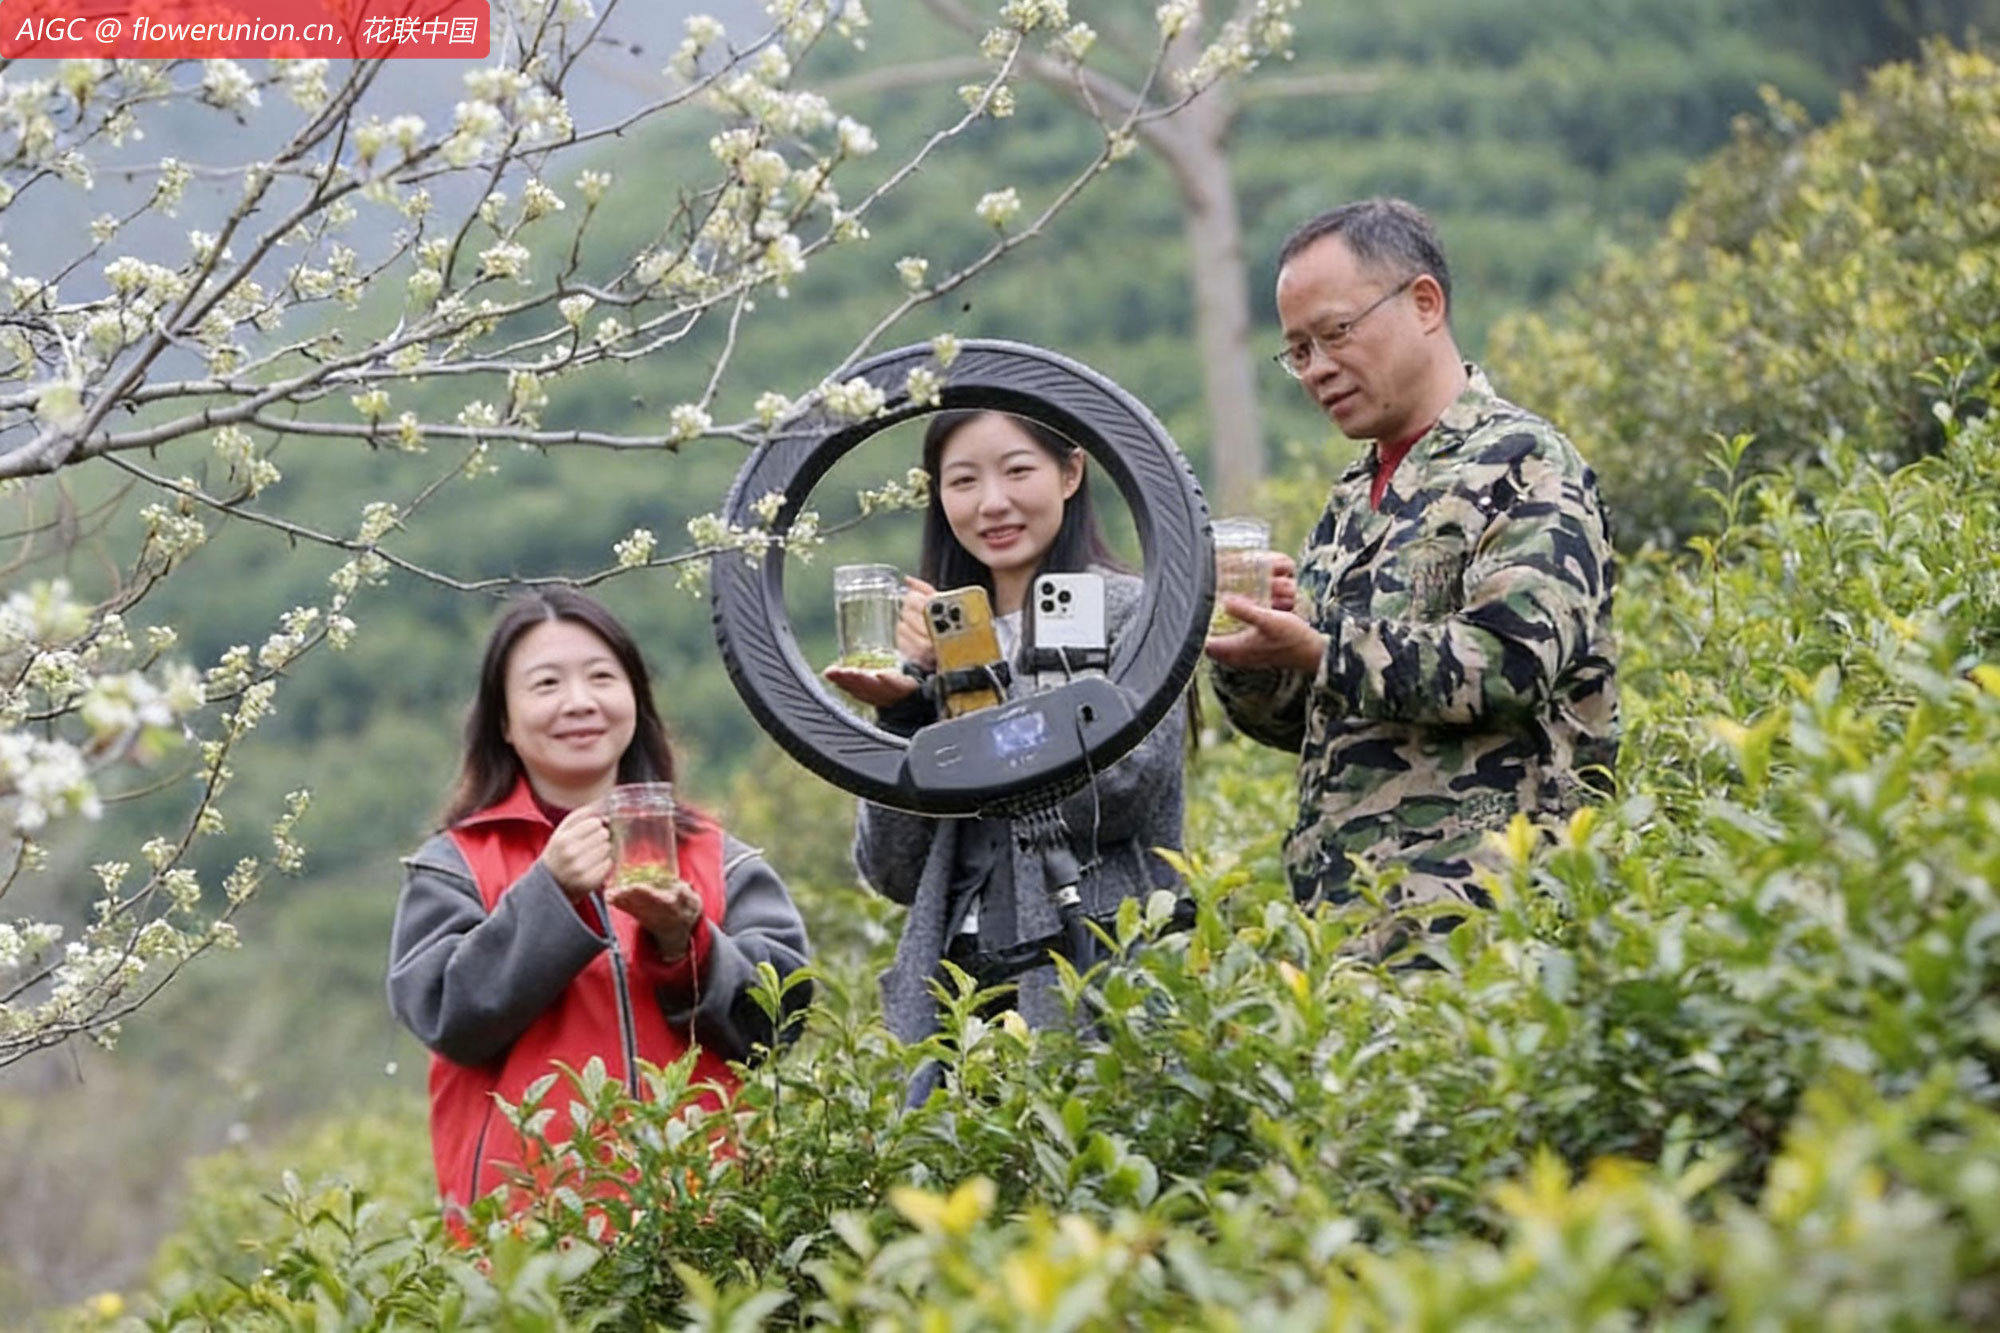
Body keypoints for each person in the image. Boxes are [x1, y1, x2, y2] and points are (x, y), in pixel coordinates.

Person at [1206, 197, 1618, 950]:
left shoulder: (1522, 463)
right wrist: (1252, 658)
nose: (1317, 369)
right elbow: (1310, 724)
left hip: (1484, 920)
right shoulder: (1349, 501)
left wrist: (1323, 649)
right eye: (1297, 351)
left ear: (1424, 302)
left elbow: (1511, 663)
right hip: (1348, 927)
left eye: (1334, 334)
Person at [387, 589, 811, 1216]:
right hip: (526, 1242)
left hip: (709, 1225)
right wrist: (549, 893)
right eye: (546, 684)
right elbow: (450, 1018)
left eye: (602, 678)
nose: (579, 703)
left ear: (635, 699)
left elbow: (777, 1024)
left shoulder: (722, 860)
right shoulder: (456, 866)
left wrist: (685, 940)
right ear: (502, 720)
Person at [825, 410, 1185, 1088]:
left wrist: (981, 670)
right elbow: (894, 869)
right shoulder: (933, 644)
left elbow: (1114, 795)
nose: (992, 502)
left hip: (1096, 983)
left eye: (1018, 470)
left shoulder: (1132, 611)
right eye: (962, 481)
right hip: (958, 995)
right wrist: (903, 706)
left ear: (1071, 471)